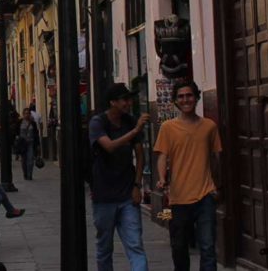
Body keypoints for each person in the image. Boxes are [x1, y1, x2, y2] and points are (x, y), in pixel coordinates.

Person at [154, 79, 222, 271]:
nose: (186, 100)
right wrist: (161, 178)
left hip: (205, 195)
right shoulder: (168, 127)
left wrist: (218, 186)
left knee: (208, 247)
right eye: (181, 97)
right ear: (175, 100)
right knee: (179, 246)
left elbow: (216, 158)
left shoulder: (209, 126)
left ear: (197, 98)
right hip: (178, 198)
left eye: (189, 95)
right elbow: (162, 156)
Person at [89, 83, 149, 271]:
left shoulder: (130, 121)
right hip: (104, 195)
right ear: (112, 102)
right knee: (105, 247)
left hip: (127, 195)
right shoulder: (98, 123)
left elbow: (140, 155)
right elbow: (109, 146)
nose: (129, 103)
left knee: (135, 245)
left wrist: (137, 185)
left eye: (129, 99)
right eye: (125, 99)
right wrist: (135, 131)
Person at [17, 107, 42, 181]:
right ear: (23, 114)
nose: (27, 115)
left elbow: (36, 133)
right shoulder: (20, 122)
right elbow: (16, 131)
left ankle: (29, 175)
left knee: (30, 159)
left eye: (28, 113)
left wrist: (38, 144)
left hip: (31, 143)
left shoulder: (33, 123)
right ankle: (25, 174)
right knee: (24, 160)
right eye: (25, 114)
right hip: (23, 143)